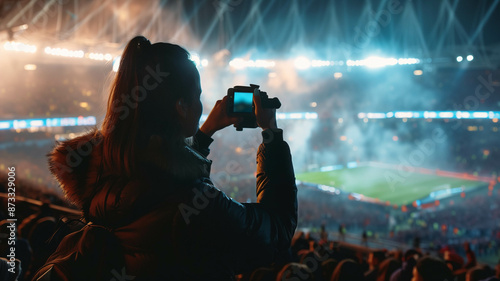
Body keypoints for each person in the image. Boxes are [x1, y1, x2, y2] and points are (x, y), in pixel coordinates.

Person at [46, 36, 297, 280]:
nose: (201, 106)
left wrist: (204, 134)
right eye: (197, 96)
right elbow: (276, 231)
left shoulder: (104, 173)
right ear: (181, 106)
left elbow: (159, 182)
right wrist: (271, 134)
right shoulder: (197, 206)